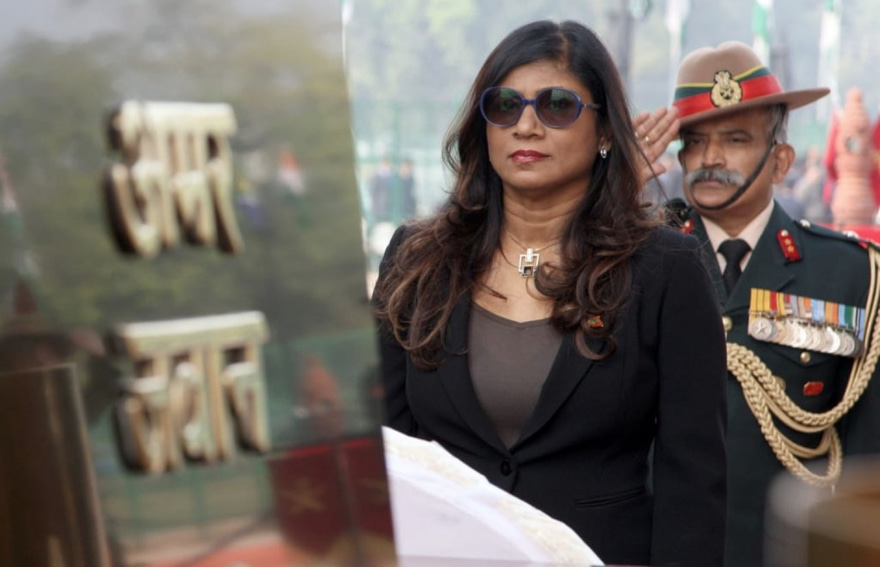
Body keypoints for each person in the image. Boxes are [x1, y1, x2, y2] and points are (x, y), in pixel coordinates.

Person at [373, 20, 727, 567]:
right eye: (505, 106)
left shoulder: (665, 269)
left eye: (557, 106)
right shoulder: (417, 258)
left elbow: (694, 485)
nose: (526, 126)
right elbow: (388, 450)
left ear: (604, 131)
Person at [661, 41, 880, 567]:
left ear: (781, 161)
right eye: (695, 142)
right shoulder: (642, 261)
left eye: (735, 140)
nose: (711, 159)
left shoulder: (848, 274)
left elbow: (864, 461)